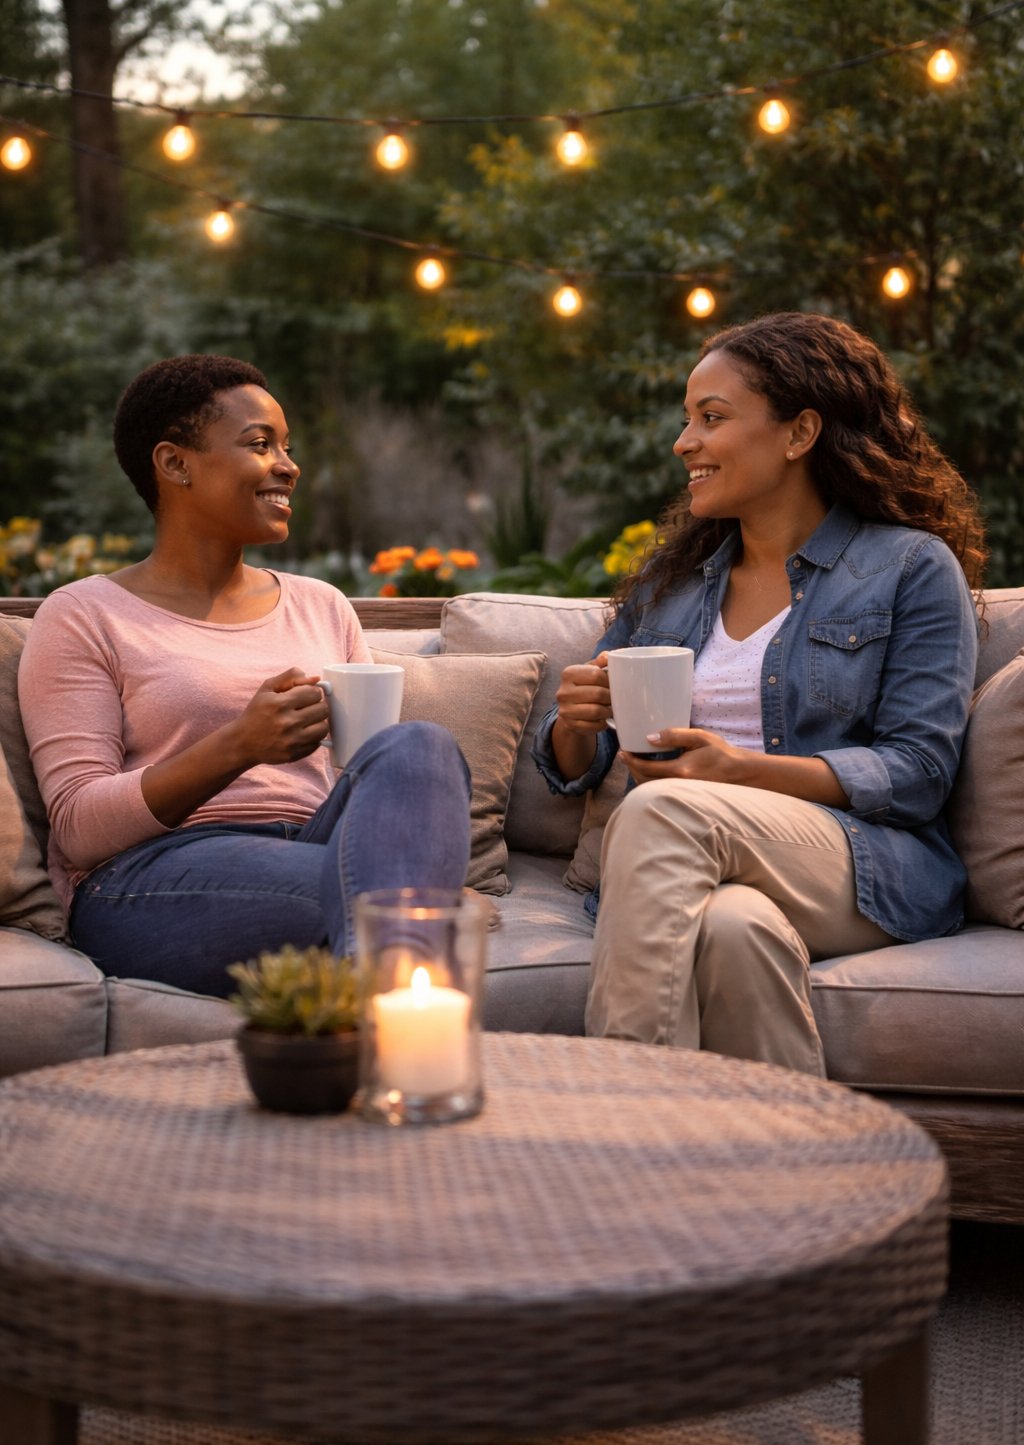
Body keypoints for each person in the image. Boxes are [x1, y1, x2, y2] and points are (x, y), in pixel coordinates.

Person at [533, 312, 985, 1075]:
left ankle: (611, 1117)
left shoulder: (909, 567)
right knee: (736, 931)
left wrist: (739, 772)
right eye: (686, 421)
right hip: (701, 866)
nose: (685, 443)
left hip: (860, 864)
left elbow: (919, 772)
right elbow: (577, 760)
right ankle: (784, 1168)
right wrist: (575, 723)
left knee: (664, 809)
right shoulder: (673, 586)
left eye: (711, 419)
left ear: (799, 432)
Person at [19, 354, 472, 997]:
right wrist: (240, 744)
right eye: (260, 445)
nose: (288, 465)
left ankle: (371, 1002)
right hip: (155, 876)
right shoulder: (84, 615)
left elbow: (373, 787)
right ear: (175, 463)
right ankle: (407, 1005)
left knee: (420, 746)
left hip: (317, 845)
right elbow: (79, 827)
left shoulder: (323, 604)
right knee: (387, 900)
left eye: (287, 447)